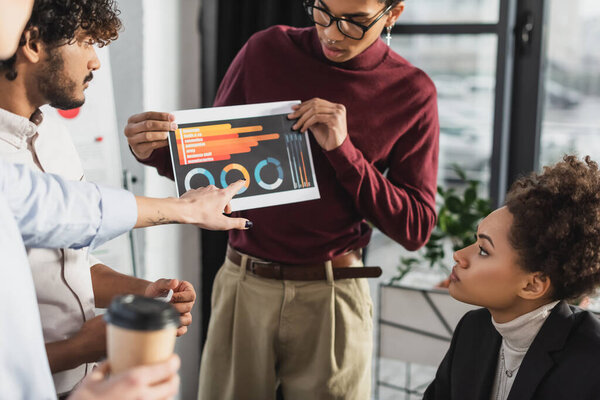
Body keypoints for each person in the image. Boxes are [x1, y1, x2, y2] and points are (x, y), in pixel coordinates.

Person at [126, 0, 439, 398]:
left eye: (355, 22)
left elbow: (415, 228)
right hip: (245, 282)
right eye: (322, 11)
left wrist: (343, 150)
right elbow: (217, 163)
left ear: (393, 13)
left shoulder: (411, 92)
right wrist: (150, 149)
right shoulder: (266, 50)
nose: (332, 32)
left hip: (333, 293)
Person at [0, 160, 248, 399]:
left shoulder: (51, 134)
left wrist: (145, 293)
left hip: (87, 381)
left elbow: (61, 227)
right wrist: (76, 349)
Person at [424, 155, 600, 400]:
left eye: (484, 250)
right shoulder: (473, 329)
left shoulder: (592, 365)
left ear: (532, 284)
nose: (459, 255)